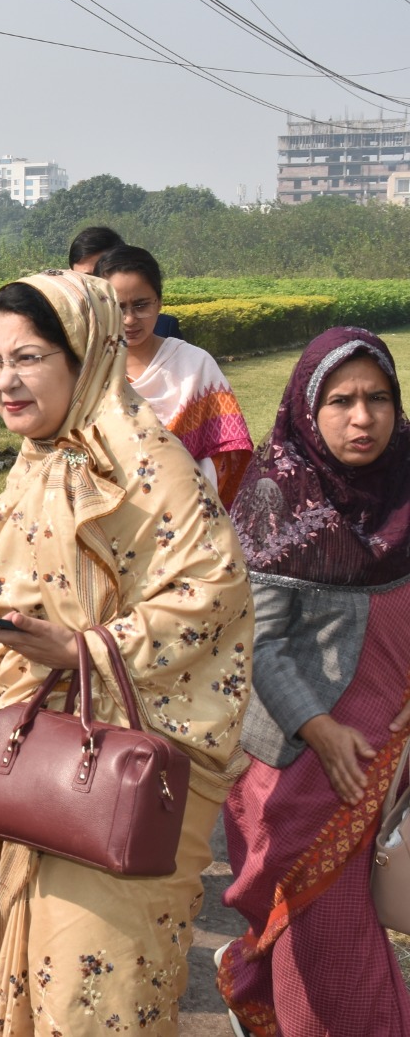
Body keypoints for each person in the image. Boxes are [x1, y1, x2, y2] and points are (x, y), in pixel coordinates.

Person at [0, 270, 253, 1035]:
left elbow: (211, 600)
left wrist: (84, 648)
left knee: (99, 996)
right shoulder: (34, 462)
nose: (4, 381)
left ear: (83, 354)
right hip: (32, 772)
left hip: (120, 773)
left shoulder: (151, 467)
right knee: (25, 975)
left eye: (26, 358)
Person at [216, 326, 410, 1036]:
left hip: (393, 763)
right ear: (306, 406)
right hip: (302, 768)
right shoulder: (276, 494)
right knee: (323, 944)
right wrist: (320, 729)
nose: (363, 418)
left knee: (360, 929)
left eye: (379, 398)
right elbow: (257, 641)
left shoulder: (406, 481)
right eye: (341, 401)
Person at [95, 244, 252, 507]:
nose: (130, 319)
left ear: (159, 302)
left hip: (187, 515)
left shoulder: (194, 364)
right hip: (108, 517)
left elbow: (227, 452)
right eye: (118, 308)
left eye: (141, 305)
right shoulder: (89, 370)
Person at [68, 224, 180, 339]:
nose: (129, 320)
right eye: (87, 278)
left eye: (101, 276)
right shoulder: (66, 329)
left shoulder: (164, 328)